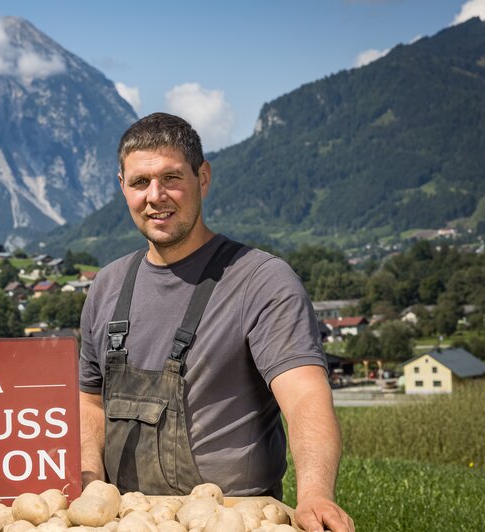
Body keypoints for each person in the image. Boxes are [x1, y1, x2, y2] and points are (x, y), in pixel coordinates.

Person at [79, 113, 354, 532]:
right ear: (122, 187)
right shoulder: (107, 286)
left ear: (202, 178)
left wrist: (315, 494)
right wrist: (89, 484)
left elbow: (304, 396)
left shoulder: (260, 280)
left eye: (171, 178)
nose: (155, 196)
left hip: (237, 518)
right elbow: (90, 402)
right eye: (139, 183)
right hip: (129, 519)